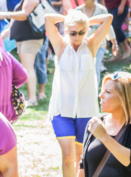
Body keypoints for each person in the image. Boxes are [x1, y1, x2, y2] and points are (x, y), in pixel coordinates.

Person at [45, 10, 113, 177]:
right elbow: (48, 18)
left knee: (81, 156)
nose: (77, 36)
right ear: (66, 31)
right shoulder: (60, 46)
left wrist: (84, 20)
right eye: (73, 32)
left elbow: (108, 18)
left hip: (86, 111)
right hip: (62, 111)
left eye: (82, 32)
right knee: (68, 156)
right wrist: (69, 19)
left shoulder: (91, 46)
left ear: (87, 30)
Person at [79, 72, 131, 177]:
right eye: (102, 90)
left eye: (108, 92)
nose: (100, 95)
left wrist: (104, 137)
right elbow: (83, 166)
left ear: (124, 98)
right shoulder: (94, 124)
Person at [0, 0, 44, 106]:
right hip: (26, 38)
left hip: (30, 38)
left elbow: (24, 15)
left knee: (28, 68)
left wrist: (5, 14)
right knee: (27, 67)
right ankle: (31, 97)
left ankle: (32, 98)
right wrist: (9, 30)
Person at [76, 0, 119, 86]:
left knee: (95, 67)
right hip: (82, 45)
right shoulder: (78, 11)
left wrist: (114, 43)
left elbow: (108, 26)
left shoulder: (101, 10)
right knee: (83, 69)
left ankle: (94, 94)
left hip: (99, 44)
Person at [35, 0, 63, 99]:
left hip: (55, 20)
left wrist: (49, 3)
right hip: (41, 22)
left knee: (57, 46)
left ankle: (60, 68)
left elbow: (61, 2)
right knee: (44, 51)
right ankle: (45, 69)